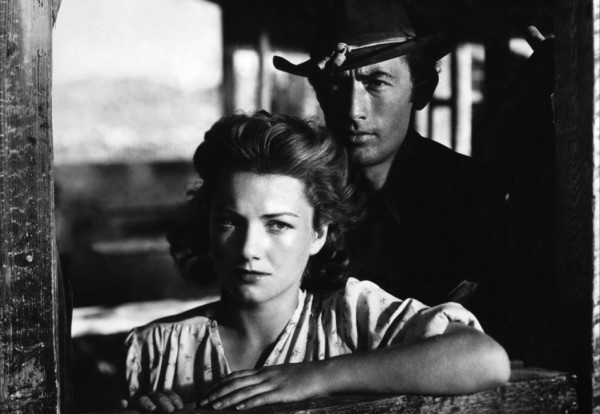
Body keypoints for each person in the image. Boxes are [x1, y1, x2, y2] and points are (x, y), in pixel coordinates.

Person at [123, 112, 510, 412]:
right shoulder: (154, 350)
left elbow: (485, 360)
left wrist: (318, 376)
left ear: (318, 234)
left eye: (277, 224)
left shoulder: (351, 315)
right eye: (229, 222)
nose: (248, 249)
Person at [273, 0, 506, 308]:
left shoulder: (471, 191)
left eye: (376, 83)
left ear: (421, 89)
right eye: (335, 85)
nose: (353, 111)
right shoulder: (297, 195)